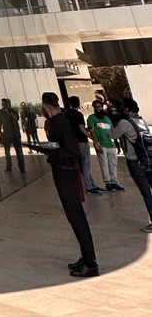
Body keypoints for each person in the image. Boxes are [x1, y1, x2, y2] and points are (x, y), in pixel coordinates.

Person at [38, 92, 98, 276]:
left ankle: (90, 263)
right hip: (66, 172)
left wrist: (51, 152)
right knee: (75, 216)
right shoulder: (63, 119)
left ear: (46, 105)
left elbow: (71, 150)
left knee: (76, 216)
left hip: (66, 173)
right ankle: (86, 257)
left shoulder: (59, 122)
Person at [111, 98, 152, 231]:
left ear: (127, 110)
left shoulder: (124, 123)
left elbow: (113, 135)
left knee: (146, 193)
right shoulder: (142, 121)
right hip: (148, 160)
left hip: (135, 160)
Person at [66, 97, 102, 194]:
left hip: (73, 141)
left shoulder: (67, 114)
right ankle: (89, 186)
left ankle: (92, 184)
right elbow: (81, 128)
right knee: (86, 164)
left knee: (81, 164)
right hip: (82, 140)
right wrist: (91, 137)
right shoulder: (78, 114)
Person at [87, 97, 123, 192]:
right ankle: (108, 183)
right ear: (94, 108)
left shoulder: (107, 119)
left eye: (99, 106)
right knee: (104, 165)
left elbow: (113, 132)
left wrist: (117, 145)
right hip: (101, 144)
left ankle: (114, 182)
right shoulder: (91, 118)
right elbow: (91, 131)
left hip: (111, 145)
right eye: (96, 107)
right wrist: (96, 143)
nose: (98, 108)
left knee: (113, 164)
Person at [0, 98, 25, 174]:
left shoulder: (13, 111)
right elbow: (0, 122)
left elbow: (16, 118)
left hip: (15, 134)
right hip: (7, 134)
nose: (3, 105)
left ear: (8, 104)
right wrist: (0, 130)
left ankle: (22, 168)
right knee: (7, 151)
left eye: (5, 104)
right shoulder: (1, 112)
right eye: (2, 104)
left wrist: (9, 112)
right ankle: (9, 167)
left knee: (19, 151)